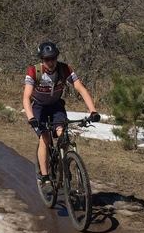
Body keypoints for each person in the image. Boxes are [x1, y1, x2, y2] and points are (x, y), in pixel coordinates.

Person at [22, 41, 100, 185]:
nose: (50, 62)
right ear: (42, 59)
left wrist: (93, 111)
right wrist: (31, 117)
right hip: (39, 108)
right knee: (44, 137)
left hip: (56, 105)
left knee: (62, 133)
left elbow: (80, 88)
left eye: (53, 58)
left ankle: (63, 164)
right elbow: (26, 96)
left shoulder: (64, 69)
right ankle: (44, 176)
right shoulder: (34, 71)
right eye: (47, 59)